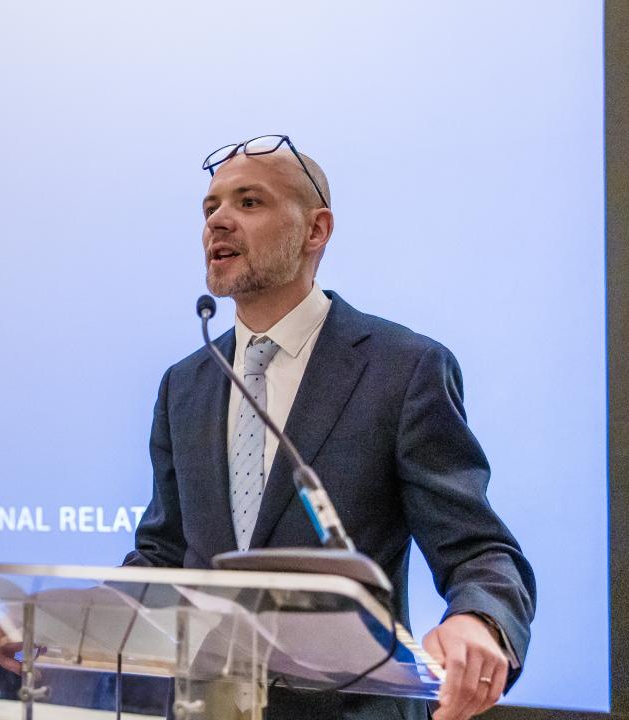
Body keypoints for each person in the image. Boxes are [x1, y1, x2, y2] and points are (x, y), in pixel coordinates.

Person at [119, 135, 536, 720]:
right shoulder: (186, 382)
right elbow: (164, 553)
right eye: (210, 207)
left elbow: (478, 549)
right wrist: (69, 619)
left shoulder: (403, 368)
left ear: (317, 230)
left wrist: (479, 619)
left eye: (249, 202)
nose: (219, 221)